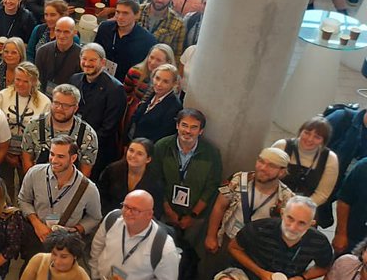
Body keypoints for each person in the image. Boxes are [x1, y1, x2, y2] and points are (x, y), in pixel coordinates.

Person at [151, 108, 223, 279]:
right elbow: (156, 179)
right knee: (161, 247)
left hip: (195, 217)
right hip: (165, 211)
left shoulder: (211, 153)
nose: (187, 131)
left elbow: (212, 186)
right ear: (177, 125)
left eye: (193, 127)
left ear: (201, 131)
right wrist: (168, 209)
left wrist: (193, 214)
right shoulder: (162, 146)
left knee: (188, 254)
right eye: (184, 125)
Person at [203, 147, 294, 275]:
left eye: (271, 166)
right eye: (261, 161)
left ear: (282, 172)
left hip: (255, 250)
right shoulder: (239, 180)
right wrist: (211, 236)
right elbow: (220, 206)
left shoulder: (286, 198)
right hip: (227, 240)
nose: (263, 168)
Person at [229, 197, 332, 280]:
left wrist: (302, 277)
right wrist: (260, 273)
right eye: (290, 218)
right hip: (250, 275)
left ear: (311, 224)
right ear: (282, 214)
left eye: (301, 223)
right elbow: (233, 247)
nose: (293, 227)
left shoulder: (319, 242)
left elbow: (324, 267)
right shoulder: (260, 228)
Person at [89, 189, 179, 280]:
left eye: (135, 210)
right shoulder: (112, 219)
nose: (128, 213)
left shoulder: (164, 247)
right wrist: (95, 276)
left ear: (149, 214)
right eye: (126, 206)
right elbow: (96, 248)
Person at [20, 84, 99, 177]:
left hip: (70, 187)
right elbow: (26, 160)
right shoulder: (34, 125)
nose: (59, 108)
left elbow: (85, 173)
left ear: (75, 108)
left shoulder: (87, 135)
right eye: (56, 103)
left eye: (65, 105)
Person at [272, 117, 340, 209]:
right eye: (307, 133)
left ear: (323, 141)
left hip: (306, 208)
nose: (310, 139)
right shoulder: (281, 146)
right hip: (272, 201)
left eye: (317, 137)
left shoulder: (330, 159)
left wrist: (298, 208)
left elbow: (322, 194)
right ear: (300, 132)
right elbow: (265, 174)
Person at [96, 137, 164, 215]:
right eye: (131, 150)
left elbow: (156, 210)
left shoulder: (155, 179)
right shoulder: (112, 170)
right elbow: (101, 196)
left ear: (148, 159)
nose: (133, 156)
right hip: (110, 216)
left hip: (139, 221)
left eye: (139, 154)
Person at [19, 229, 89, 280]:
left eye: (64, 257)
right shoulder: (39, 260)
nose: (57, 261)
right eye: (54, 254)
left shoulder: (82, 276)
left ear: (75, 256)